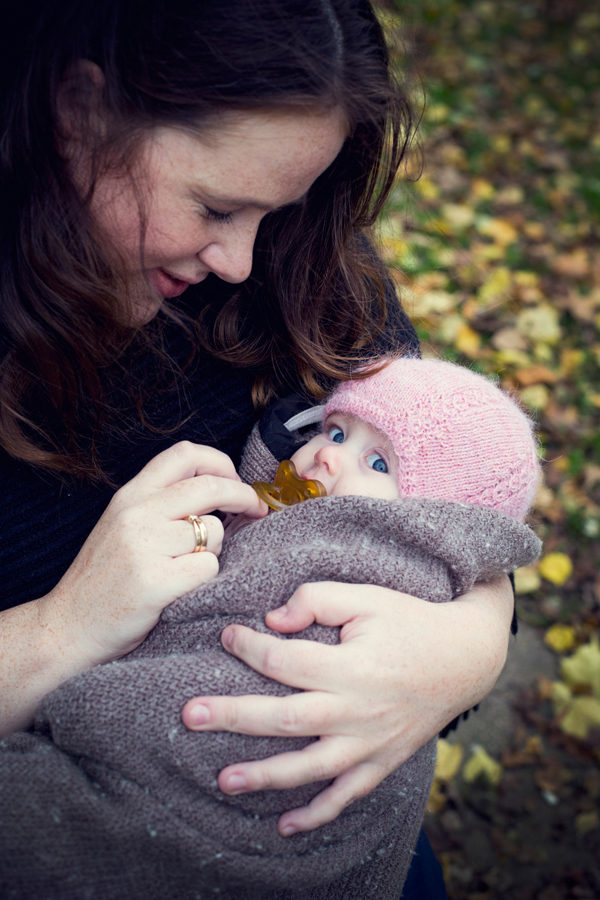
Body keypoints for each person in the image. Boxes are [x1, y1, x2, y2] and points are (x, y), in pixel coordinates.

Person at [0, 0, 515, 892]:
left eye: (276, 211)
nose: (240, 257)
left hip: (313, 816)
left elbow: (456, 499)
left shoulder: (297, 275)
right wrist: (63, 626)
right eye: (216, 205)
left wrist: (469, 647)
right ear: (76, 116)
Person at [0, 358, 541, 900]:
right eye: (335, 430)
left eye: (378, 463)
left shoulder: (374, 553)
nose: (326, 453)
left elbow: (474, 549)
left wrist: (471, 642)